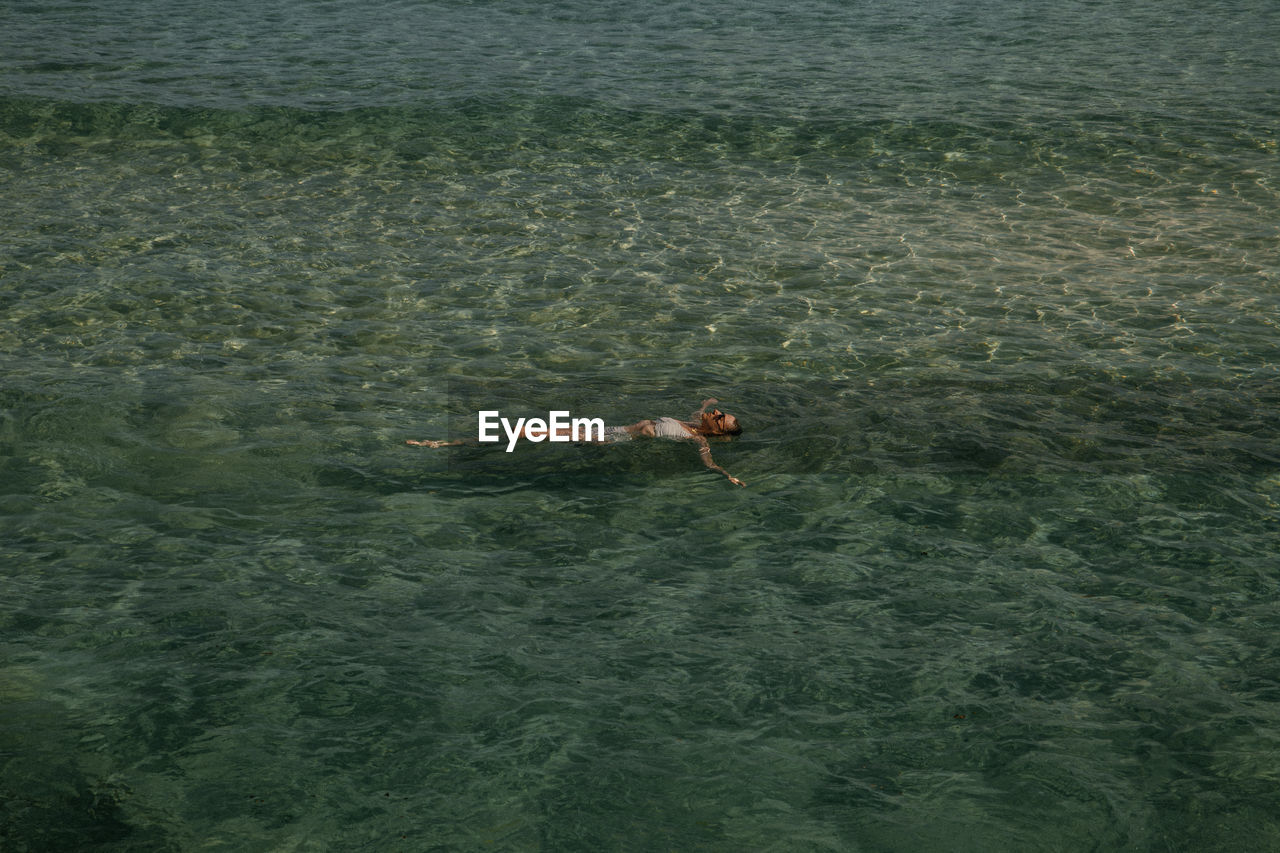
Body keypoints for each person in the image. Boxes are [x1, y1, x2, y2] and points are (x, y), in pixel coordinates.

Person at [407, 398, 746, 487]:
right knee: (526, 431)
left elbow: (709, 461)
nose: (716, 413)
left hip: (605, 439)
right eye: (718, 411)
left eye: (719, 417)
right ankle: (457, 445)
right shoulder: (691, 422)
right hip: (606, 430)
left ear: (717, 432)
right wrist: (706, 403)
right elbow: (698, 408)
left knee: (525, 431)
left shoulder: (698, 438)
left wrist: (725, 475)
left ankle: (445, 445)